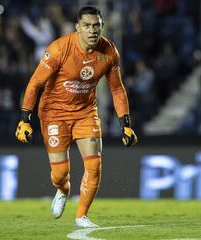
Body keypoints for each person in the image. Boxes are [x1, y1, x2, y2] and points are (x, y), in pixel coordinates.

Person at [15, 6, 138, 228]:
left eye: (96, 26)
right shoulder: (60, 49)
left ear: (102, 27)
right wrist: (25, 119)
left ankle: (82, 216)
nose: (92, 30)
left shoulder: (109, 52)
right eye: (87, 26)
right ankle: (63, 189)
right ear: (78, 28)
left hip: (85, 113)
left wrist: (125, 124)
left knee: (95, 166)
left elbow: (117, 90)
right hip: (54, 114)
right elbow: (35, 83)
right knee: (60, 174)